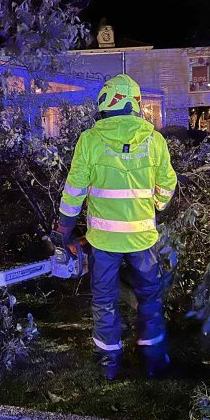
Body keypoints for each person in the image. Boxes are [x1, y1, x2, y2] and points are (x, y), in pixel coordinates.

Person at [53, 74, 178, 380]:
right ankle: (153, 361)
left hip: (104, 242)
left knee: (105, 300)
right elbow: (167, 184)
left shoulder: (90, 141)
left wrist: (63, 231)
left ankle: (108, 364)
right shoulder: (154, 140)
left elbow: (74, 190)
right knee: (149, 298)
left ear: (106, 103)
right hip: (143, 240)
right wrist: (156, 206)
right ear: (135, 103)